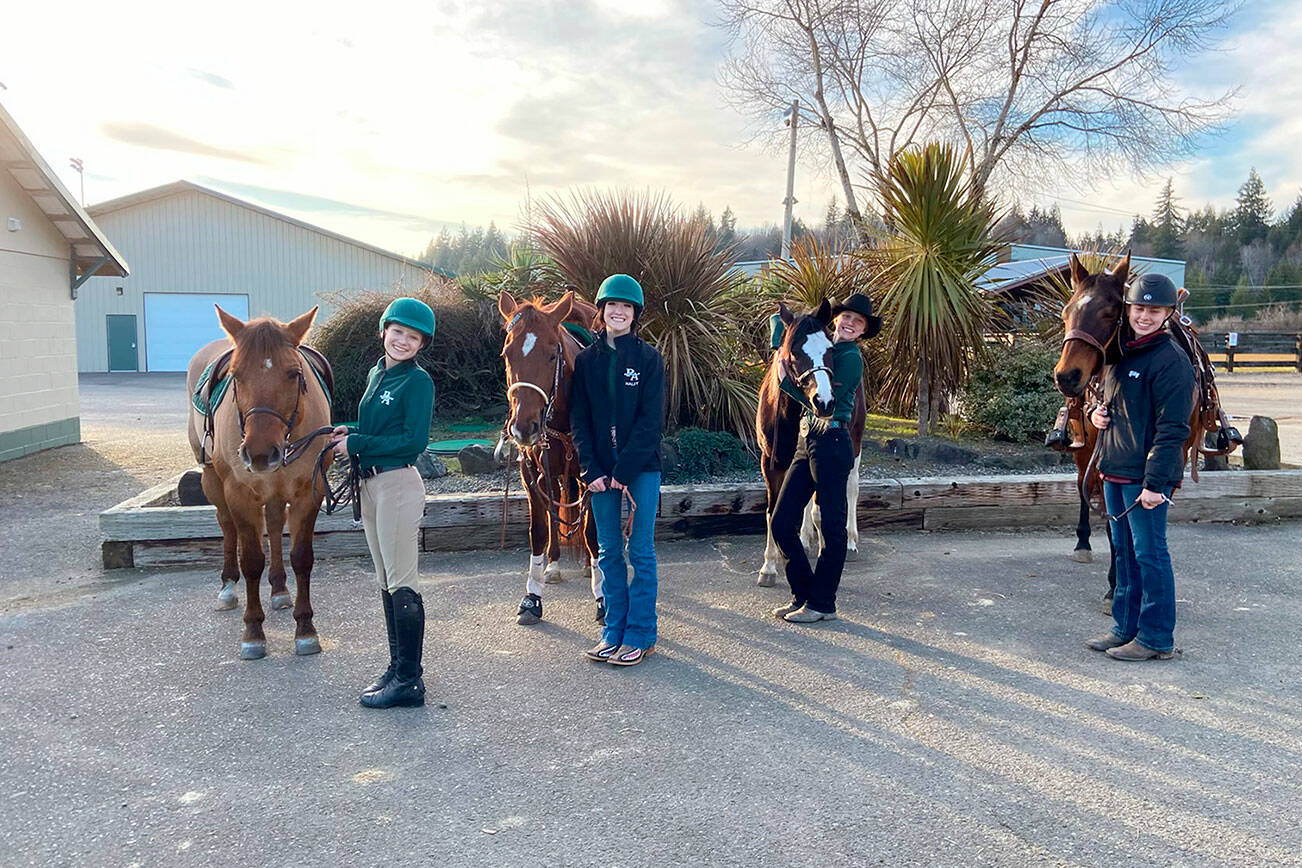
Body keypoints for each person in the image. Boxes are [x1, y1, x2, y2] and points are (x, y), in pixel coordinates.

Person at [330, 297, 436, 705]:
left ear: (420, 344)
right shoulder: (378, 374)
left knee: (403, 582)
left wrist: (357, 442)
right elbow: (381, 428)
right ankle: (397, 666)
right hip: (372, 486)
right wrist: (350, 431)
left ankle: (410, 680)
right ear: (384, 331)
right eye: (398, 332)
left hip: (397, 486)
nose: (403, 341)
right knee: (387, 581)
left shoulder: (417, 382)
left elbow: (412, 441)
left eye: (412, 337)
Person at [1085, 273, 1193, 661]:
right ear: (1128, 309)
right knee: (1124, 555)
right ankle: (1124, 628)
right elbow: (1118, 406)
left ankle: (1156, 638)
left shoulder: (1171, 361)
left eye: (1154, 310)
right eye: (1139, 308)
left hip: (1144, 479)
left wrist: (1155, 483)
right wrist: (1098, 414)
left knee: (1150, 554)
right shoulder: (1120, 353)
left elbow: (1173, 430)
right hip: (1114, 468)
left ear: (1168, 313)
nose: (1145, 316)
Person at [570, 274, 665, 667]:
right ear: (602, 311)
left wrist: (623, 472)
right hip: (598, 473)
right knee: (608, 550)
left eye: (626, 307)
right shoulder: (586, 361)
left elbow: (650, 422)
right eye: (612, 305)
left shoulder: (648, 359)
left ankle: (641, 633)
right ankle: (613, 630)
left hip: (639, 470)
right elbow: (580, 418)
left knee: (640, 551)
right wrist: (591, 468)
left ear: (635, 314)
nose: (619, 312)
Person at [772, 292, 881, 624]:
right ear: (836, 319)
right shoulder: (824, 347)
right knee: (781, 521)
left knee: (832, 528)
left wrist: (783, 379)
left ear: (862, 331)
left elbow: (824, 401)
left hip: (833, 439)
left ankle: (823, 604)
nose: (849, 323)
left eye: (857, 322)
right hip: (810, 441)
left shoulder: (849, 358)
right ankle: (804, 593)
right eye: (846, 317)